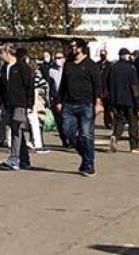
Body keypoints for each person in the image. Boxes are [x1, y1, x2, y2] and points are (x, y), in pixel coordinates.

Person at [57, 38, 103, 177]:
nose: (72, 49)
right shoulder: (68, 64)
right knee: (67, 132)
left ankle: (89, 165)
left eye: (74, 47)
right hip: (69, 104)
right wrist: (59, 101)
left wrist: (98, 103)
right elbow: (63, 84)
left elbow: (97, 85)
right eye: (70, 47)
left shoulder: (91, 65)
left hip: (86, 104)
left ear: (82, 48)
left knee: (86, 134)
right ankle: (86, 156)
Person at [0, 47, 34, 171]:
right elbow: (2, 87)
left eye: (1, 53)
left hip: (20, 103)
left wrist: (29, 104)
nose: (0, 55)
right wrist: (0, 103)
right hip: (9, 104)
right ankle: (24, 159)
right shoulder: (4, 67)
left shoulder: (22, 67)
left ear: (7, 53)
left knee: (16, 128)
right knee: (16, 130)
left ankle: (14, 159)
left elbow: (29, 86)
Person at [106, 48, 139, 153]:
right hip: (129, 100)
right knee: (133, 122)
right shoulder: (130, 69)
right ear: (125, 56)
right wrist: (138, 101)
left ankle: (115, 136)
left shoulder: (112, 68)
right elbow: (134, 86)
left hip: (116, 100)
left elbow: (107, 84)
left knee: (120, 121)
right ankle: (134, 146)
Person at [48, 51, 68, 148]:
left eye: (60, 58)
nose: (58, 60)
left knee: (68, 121)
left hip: (67, 99)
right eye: (56, 58)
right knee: (59, 122)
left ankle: (71, 138)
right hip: (55, 99)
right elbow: (51, 86)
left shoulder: (68, 69)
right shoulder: (51, 71)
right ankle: (64, 140)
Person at [98, 50, 112, 129]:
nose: (102, 56)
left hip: (107, 88)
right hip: (99, 88)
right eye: (101, 54)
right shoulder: (97, 65)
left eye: (103, 54)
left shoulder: (110, 65)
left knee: (108, 108)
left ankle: (109, 122)